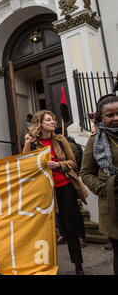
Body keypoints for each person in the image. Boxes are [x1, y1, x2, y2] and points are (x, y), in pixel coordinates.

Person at [23, 110, 86, 275]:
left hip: (65, 187)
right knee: (46, 230)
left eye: (53, 120)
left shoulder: (60, 139)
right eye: (48, 120)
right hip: (44, 190)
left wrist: (58, 165)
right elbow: (25, 166)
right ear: (40, 123)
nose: (53, 122)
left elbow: (72, 162)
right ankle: (46, 267)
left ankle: (78, 265)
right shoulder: (32, 142)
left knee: (70, 227)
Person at [80, 94, 118, 275]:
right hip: (113, 205)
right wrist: (107, 187)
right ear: (101, 117)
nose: (115, 118)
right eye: (110, 115)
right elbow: (85, 173)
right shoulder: (94, 141)